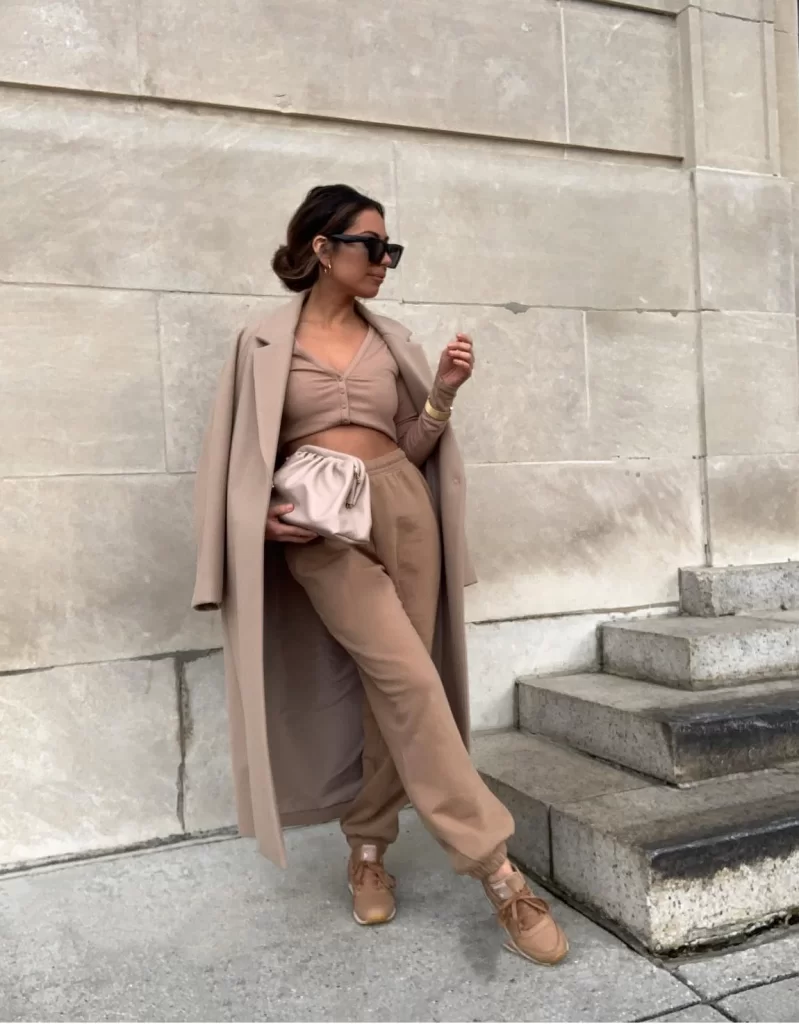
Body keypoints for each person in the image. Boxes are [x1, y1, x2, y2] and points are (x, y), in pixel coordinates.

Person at [192, 184, 568, 966]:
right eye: (372, 246)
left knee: (395, 690)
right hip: (320, 528)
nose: (385, 262)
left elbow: (413, 443)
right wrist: (249, 520)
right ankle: (498, 872)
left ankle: (366, 849)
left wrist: (442, 397)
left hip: (403, 504)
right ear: (320, 249)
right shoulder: (259, 342)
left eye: (391, 249)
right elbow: (228, 456)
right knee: (409, 681)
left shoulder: (389, 335)